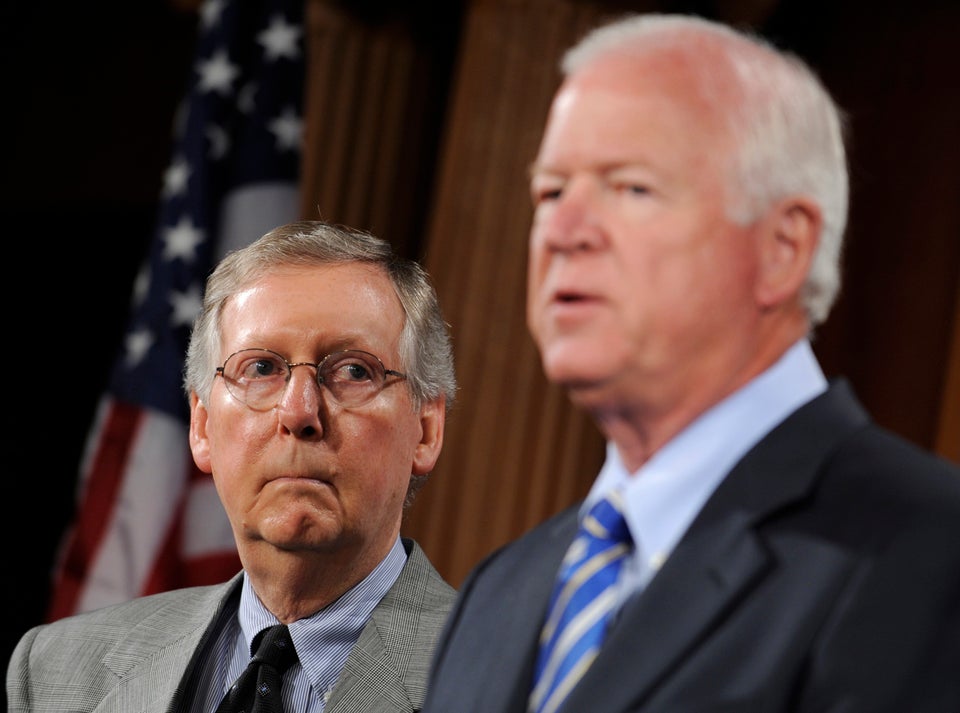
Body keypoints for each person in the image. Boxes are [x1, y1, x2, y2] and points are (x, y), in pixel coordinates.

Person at [421, 12, 960, 713]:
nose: (562, 231)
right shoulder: (496, 591)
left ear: (782, 248)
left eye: (631, 187)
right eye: (550, 191)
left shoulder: (926, 550)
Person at [8, 220, 458, 712]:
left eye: (353, 370)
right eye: (261, 368)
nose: (299, 412)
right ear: (201, 426)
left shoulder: (511, 676)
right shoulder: (57, 671)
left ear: (426, 429)